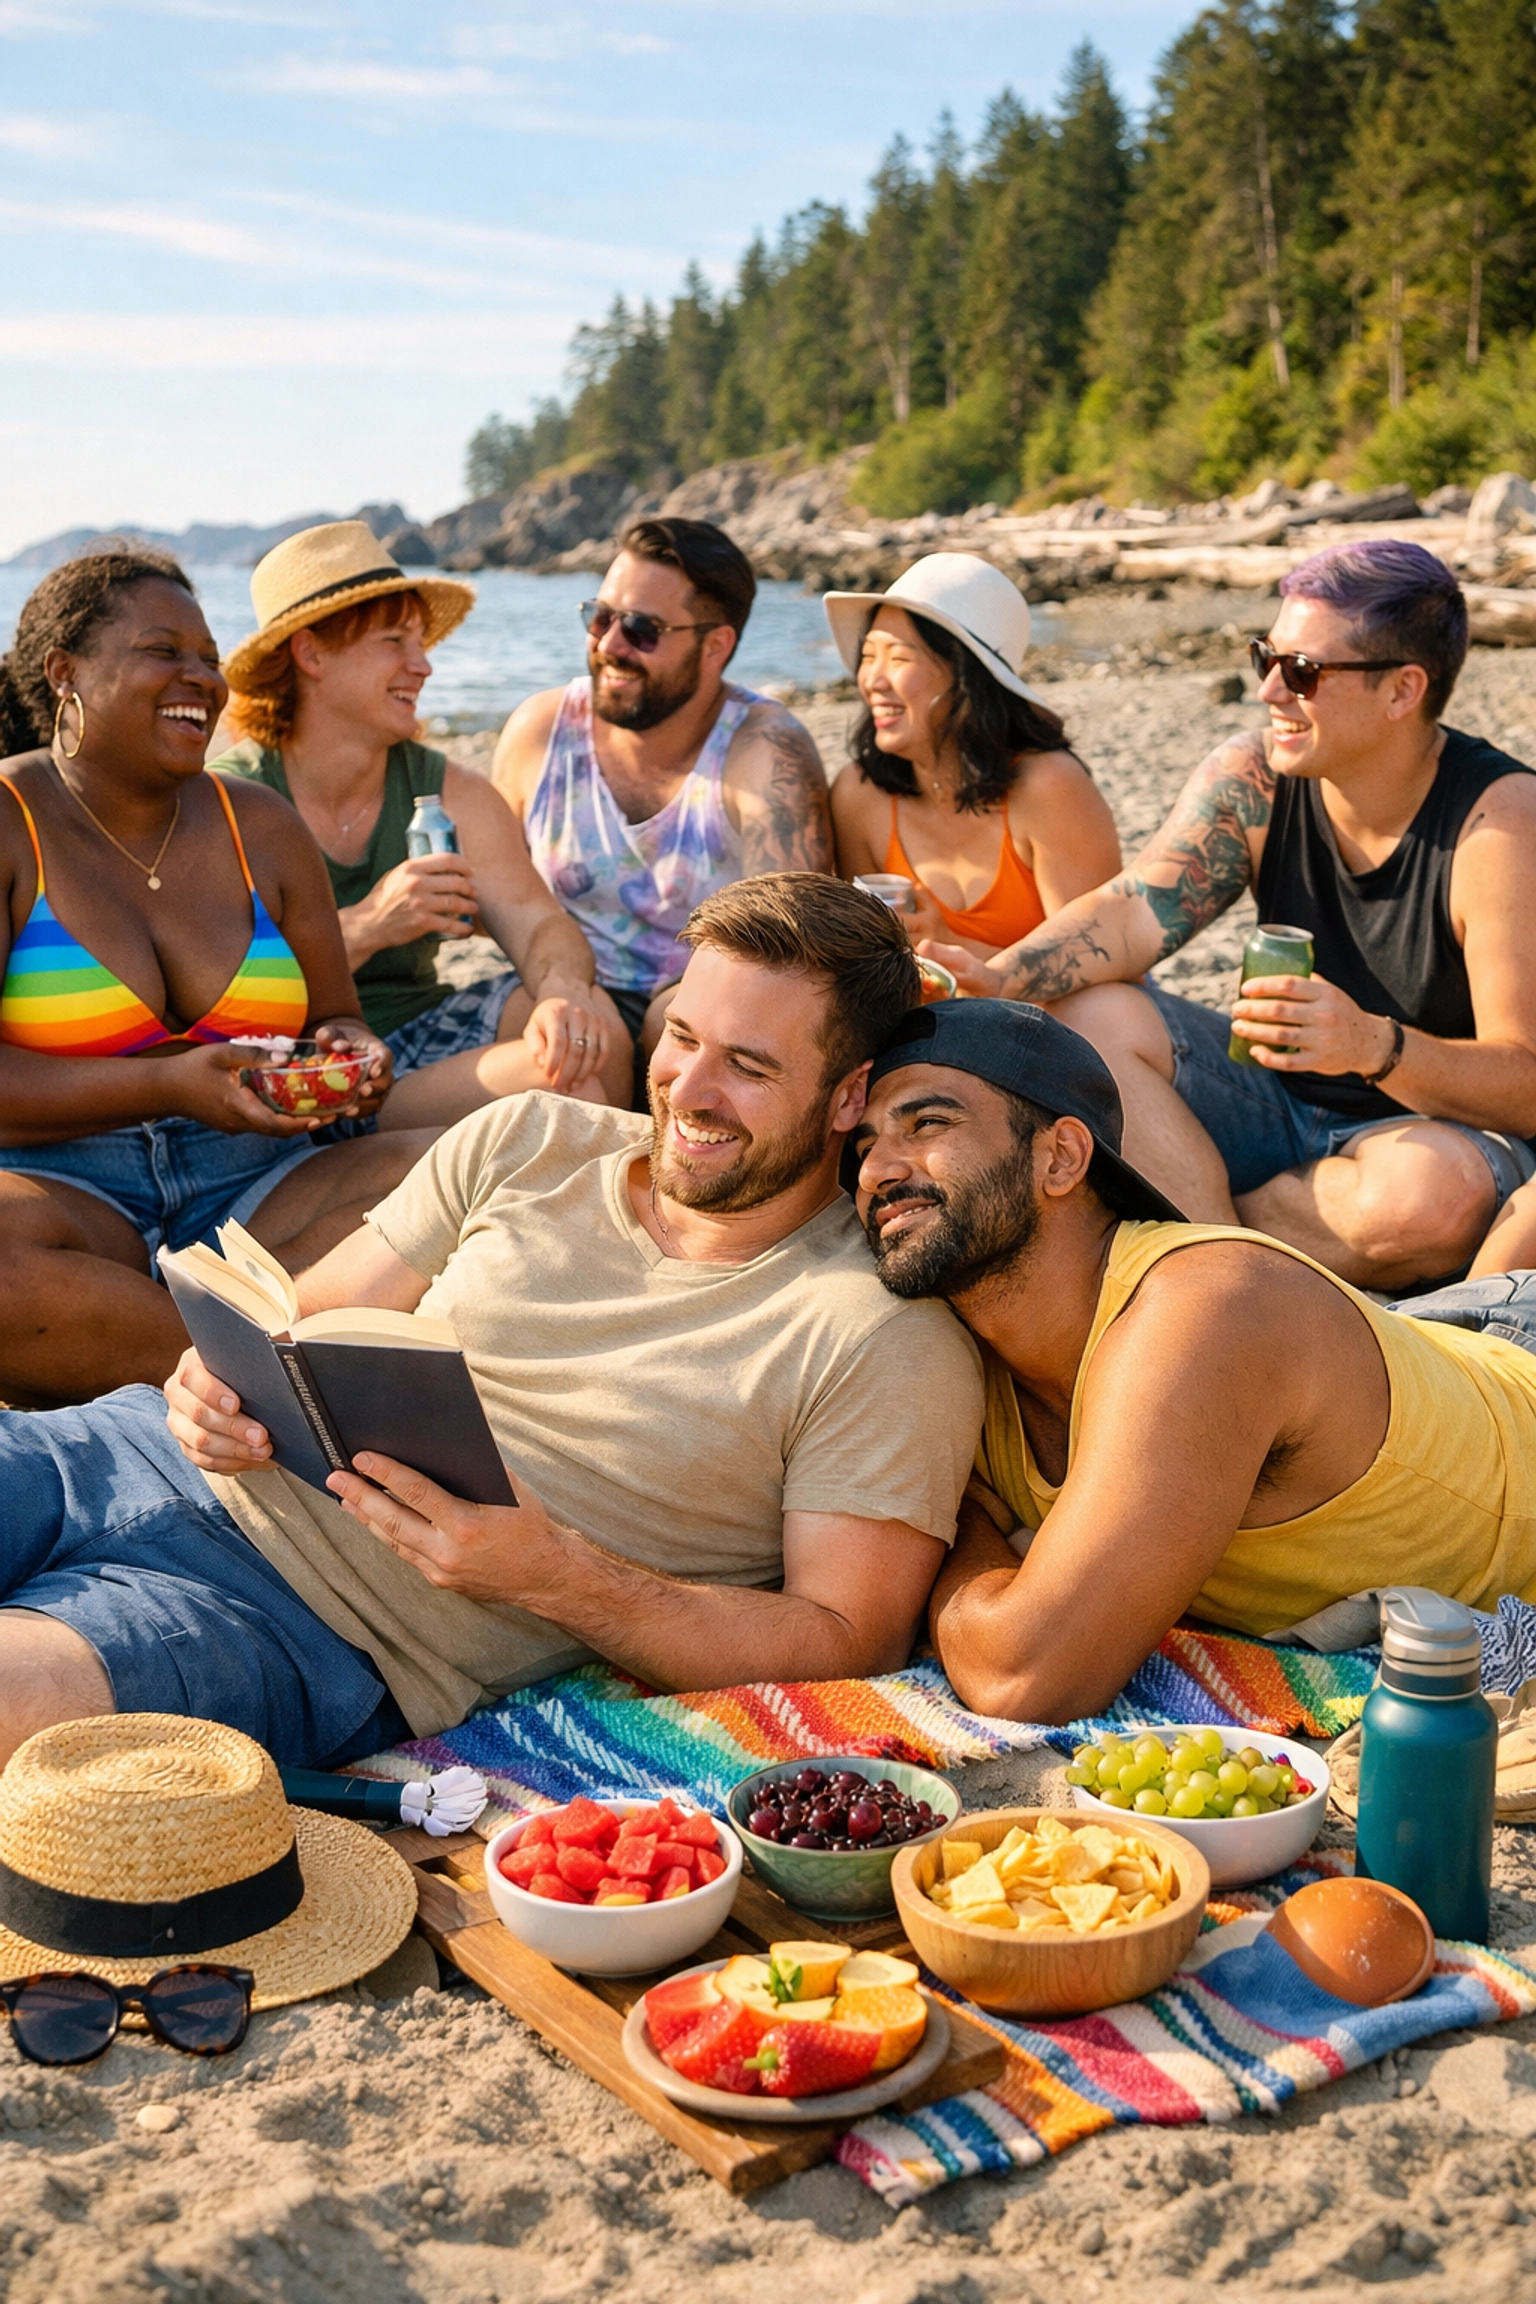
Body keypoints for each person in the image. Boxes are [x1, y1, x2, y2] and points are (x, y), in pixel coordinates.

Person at [0, 875, 982, 1769]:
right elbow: (305, 1316)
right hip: (134, 1450)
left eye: (748, 1066)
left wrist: (554, 1576)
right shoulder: (536, 1136)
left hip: (309, 1623)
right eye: (682, 1037)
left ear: (849, 1095)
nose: (688, 1090)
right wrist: (205, 1380)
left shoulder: (880, 1333)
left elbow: (850, 1636)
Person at [851, 998, 1536, 1724]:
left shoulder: (1206, 1313)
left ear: (1060, 1157)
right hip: (1429, 1350)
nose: (876, 1172)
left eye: (928, 1124)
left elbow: (1024, 1679)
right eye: (862, 1146)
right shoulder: (961, 1354)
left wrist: (955, 1526)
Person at [926, 541, 1536, 1292]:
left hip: (1432, 1134)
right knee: (1093, 1011)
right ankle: (1226, 1270)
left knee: (1431, 1200)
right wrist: (995, 976)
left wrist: (1370, 1044)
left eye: (1303, 672)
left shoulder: (1500, 827)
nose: (1270, 693)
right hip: (1273, 1104)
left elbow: (1527, 1081)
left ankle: (1192, 1236)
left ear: (1403, 690)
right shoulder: (1255, 777)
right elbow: (1130, 916)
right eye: (1265, 658)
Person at [0, 548, 434, 1409]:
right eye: (166, 651)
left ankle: (160, 1358)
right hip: (71, 1193)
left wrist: (351, 1058)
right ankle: (279, 1379)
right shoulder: (10, 822)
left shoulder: (262, 828)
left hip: (260, 1185)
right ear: (65, 673)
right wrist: (170, 1085)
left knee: (477, 1171)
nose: (201, 676)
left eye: (209, 656)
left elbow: (338, 1018)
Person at [210, 521, 631, 1119]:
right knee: (569, 1085)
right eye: (393, 642)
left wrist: (562, 993)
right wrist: (367, 927)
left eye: (420, 641)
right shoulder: (229, 801)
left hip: (424, 1035)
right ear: (311, 654)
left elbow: (540, 925)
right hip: (308, 1068)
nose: (423, 665)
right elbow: (212, 995)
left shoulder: (448, 790)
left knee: (594, 1030)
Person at [493, 518, 835, 1063]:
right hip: (565, 991)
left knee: (674, 1028)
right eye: (599, 617)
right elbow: (498, 896)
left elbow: (790, 952)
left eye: (641, 629)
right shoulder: (540, 731)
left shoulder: (763, 750)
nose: (608, 644)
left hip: (707, 1016)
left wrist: (676, 1013)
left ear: (715, 645)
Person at [826, 553, 1120, 952]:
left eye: (898, 658)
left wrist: (947, 945)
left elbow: (1098, 963)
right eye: (867, 656)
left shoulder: (1049, 787)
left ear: (966, 679)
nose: (872, 680)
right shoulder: (858, 795)